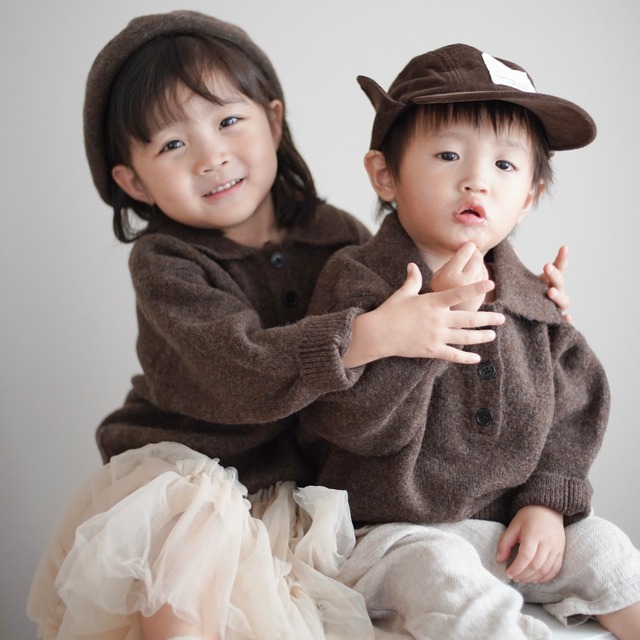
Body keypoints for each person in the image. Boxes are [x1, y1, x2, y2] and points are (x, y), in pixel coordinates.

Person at [26, 12, 570, 640]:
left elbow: (428, 312)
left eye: (228, 122)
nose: (211, 156)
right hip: (193, 466)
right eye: (172, 144)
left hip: (299, 482)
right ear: (132, 180)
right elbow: (237, 366)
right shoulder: (167, 263)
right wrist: (369, 335)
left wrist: (532, 312)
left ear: (274, 121)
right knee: (185, 555)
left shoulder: (337, 234)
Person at [299, 43, 640, 639]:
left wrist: (547, 502)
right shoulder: (358, 281)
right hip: (389, 532)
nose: (476, 180)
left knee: (606, 549)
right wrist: (424, 330)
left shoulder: (532, 300)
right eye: (448, 155)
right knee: (445, 575)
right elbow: (347, 420)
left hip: (506, 526)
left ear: (528, 198)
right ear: (386, 175)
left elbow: (573, 408)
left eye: (505, 166)